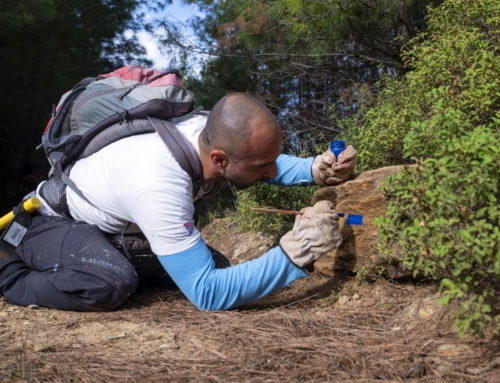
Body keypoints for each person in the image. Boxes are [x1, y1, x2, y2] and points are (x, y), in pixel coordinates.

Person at [0, 92, 357, 312]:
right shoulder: (158, 184)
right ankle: (10, 273)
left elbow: (254, 161)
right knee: (111, 283)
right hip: (48, 224)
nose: (271, 171)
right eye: (265, 166)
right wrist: (296, 253)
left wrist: (314, 168)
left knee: (216, 264)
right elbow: (208, 294)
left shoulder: (204, 130)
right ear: (219, 160)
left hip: (109, 228)